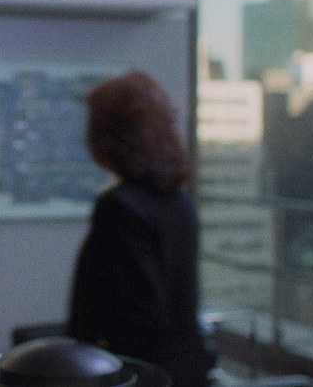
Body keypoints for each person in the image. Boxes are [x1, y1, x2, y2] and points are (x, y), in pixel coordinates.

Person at [66, 71, 213, 386]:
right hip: (184, 371)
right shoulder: (179, 202)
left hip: (137, 374)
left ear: (109, 137)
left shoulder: (120, 206)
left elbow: (136, 316)